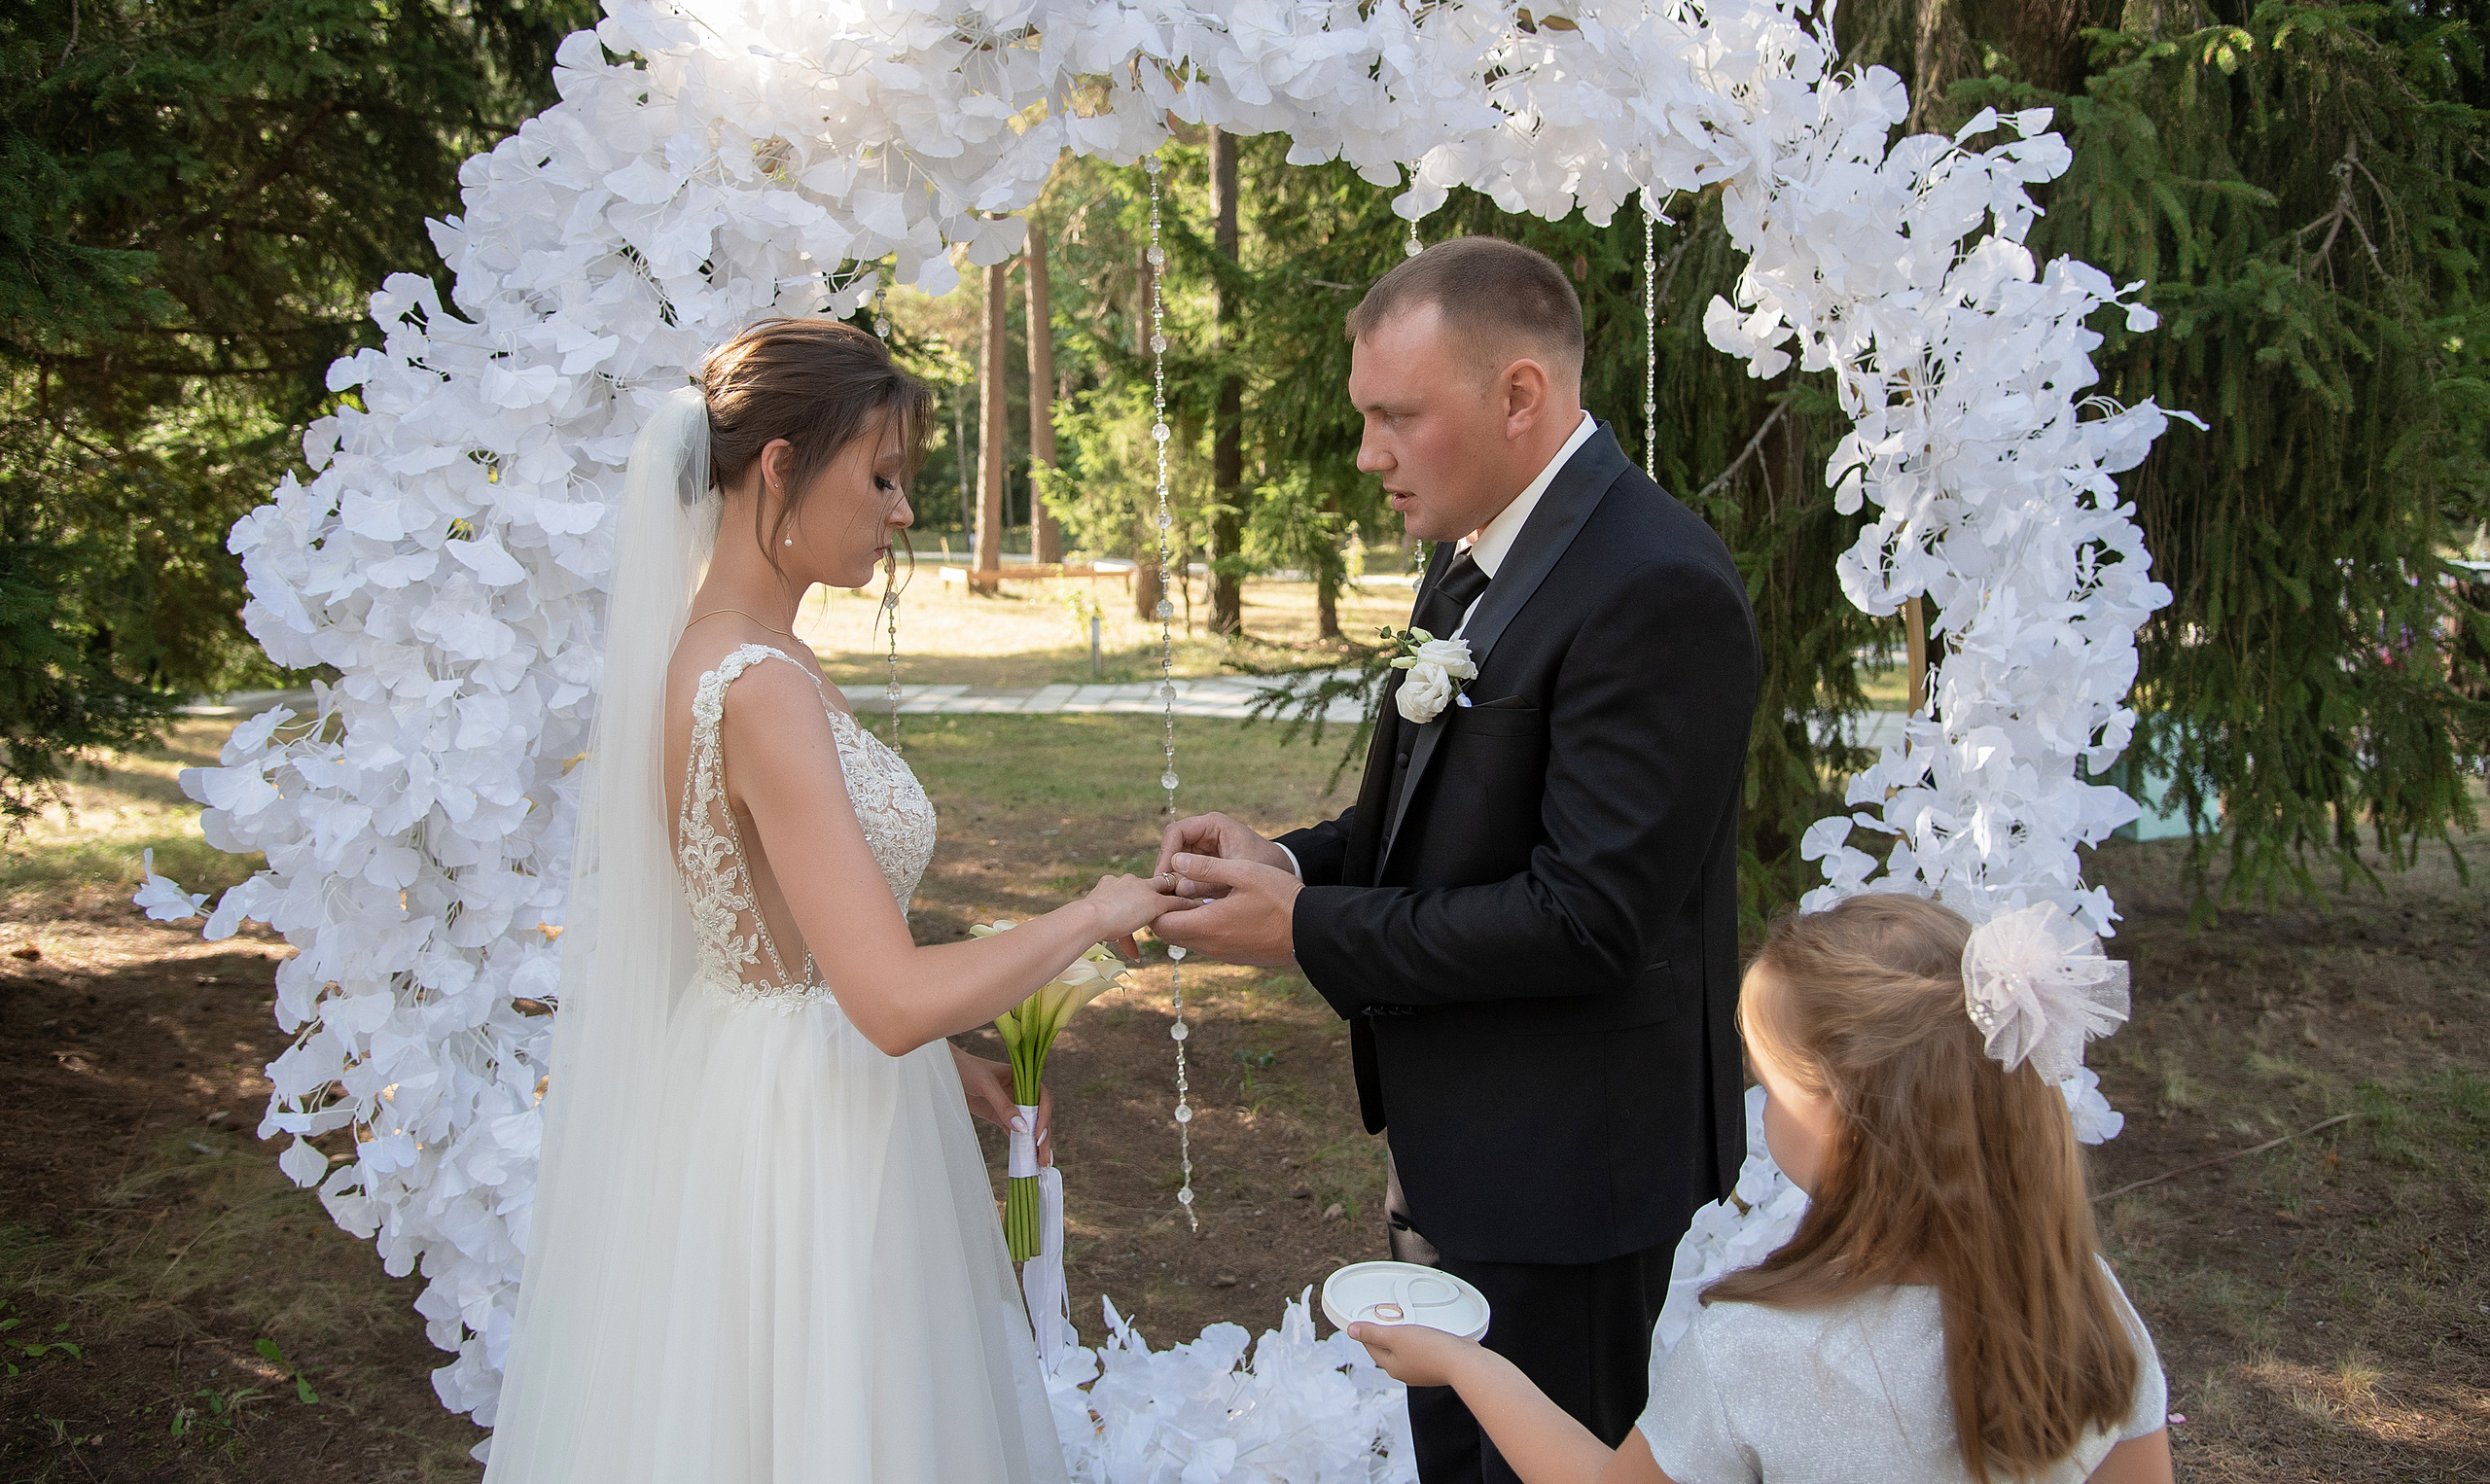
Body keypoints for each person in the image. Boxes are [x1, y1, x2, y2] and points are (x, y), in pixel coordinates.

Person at [483, 319, 1191, 1483]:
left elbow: (785, 949)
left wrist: (951, 1069)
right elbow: (888, 997)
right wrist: (1091, 914)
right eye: (880, 477)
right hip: (805, 1136)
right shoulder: (758, 685)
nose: (900, 511)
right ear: (779, 467)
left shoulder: (739, 652)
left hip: (772, 1082)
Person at [1153, 236, 1761, 1484]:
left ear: (1518, 395)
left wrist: (1302, 932)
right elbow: (1430, 831)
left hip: (1569, 1171)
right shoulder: (1474, 550)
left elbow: (1587, 917)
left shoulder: (1655, 584)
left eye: (1396, 417)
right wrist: (1287, 864)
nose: (1367, 453)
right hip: (1462, 1141)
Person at [1346, 893, 2175, 1484]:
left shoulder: (1755, 1351)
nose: (1761, 1105)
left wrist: (1465, 1363)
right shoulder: (2084, 1307)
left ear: (1841, 1118)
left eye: (1769, 1085)